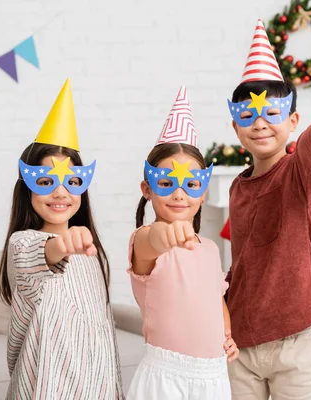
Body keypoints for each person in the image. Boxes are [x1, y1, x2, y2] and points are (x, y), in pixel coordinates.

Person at [224, 19, 311, 400]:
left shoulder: (299, 172)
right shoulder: (237, 187)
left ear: (293, 120)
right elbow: (246, 258)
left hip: (297, 341)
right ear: (236, 128)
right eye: (248, 116)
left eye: (272, 113)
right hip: (242, 343)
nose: (261, 124)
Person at [0, 79, 123, 399]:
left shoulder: (91, 252)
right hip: (47, 386)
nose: (60, 192)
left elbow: (103, 332)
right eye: (44, 181)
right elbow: (44, 252)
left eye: (71, 181)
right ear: (27, 188)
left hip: (97, 386)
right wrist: (62, 244)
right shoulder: (22, 244)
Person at [127, 86, 238, 400]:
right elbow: (153, 241)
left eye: (191, 185)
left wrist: (226, 334)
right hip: (166, 378)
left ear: (203, 193)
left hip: (213, 376)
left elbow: (216, 301)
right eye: (166, 183)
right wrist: (166, 234)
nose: (179, 194)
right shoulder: (144, 242)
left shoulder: (210, 249)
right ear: (147, 189)